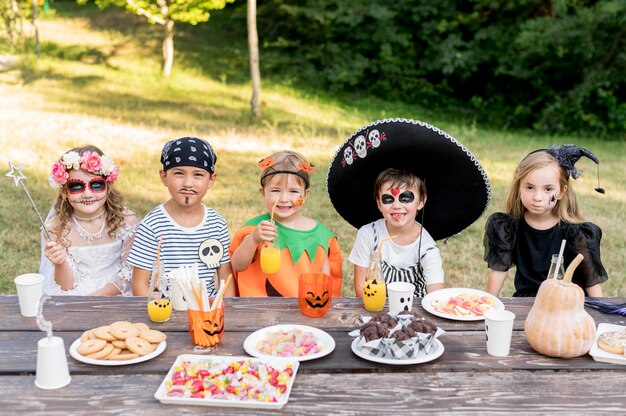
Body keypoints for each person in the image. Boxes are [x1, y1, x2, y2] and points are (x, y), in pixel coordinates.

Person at [327, 118, 491, 298]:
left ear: (421, 201)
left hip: (415, 312)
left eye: (406, 198)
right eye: (388, 199)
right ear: (379, 203)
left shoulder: (427, 247)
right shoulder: (368, 235)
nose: (397, 205)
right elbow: (360, 290)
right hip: (375, 307)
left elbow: (436, 296)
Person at [484, 144, 608, 297]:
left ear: (562, 191)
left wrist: (600, 314)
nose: (537, 197)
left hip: (567, 305)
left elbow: (592, 283)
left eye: (548, 189)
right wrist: (487, 306)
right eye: (529, 187)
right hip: (527, 303)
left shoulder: (578, 234)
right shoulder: (507, 227)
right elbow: (497, 273)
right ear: (519, 187)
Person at [128, 137, 234, 298]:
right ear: (164, 177)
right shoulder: (152, 225)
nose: (188, 183)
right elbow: (139, 284)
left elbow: (226, 279)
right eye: (179, 173)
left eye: (198, 174)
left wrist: (224, 311)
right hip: (164, 310)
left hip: (207, 310)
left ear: (211, 180)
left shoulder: (217, 224)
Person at [230, 150, 342, 297]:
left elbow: (325, 281)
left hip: (304, 311)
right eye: (276, 190)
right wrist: (253, 239)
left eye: (293, 191)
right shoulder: (255, 229)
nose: (284, 198)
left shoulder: (322, 237)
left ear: (305, 194)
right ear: (263, 193)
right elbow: (237, 265)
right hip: (260, 311)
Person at [39, 145, 138, 296]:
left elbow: (130, 273)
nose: (87, 194)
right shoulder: (55, 228)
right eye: (76, 186)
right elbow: (66, 287)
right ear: (64, 191)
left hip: (117, 293)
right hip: (75, 295)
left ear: (108, 185)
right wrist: (60, 263)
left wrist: (93, 299)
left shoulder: (127, 222)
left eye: (96, 185)